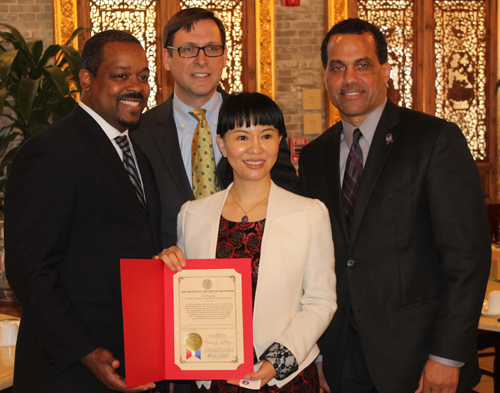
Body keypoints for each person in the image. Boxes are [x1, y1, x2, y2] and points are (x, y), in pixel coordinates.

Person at [299, 18, 491, 393]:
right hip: (342, 359)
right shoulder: (314, 157)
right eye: (337, 67)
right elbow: (313, 262)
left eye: (362, 65)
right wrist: (316, 354)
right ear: (325, 77)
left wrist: (446, 355)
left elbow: (467, 257)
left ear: (385, 71)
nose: (349, 78)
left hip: (418, 361)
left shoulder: (434, 140)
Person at [4, 30, 162, 392]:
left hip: (130, 361)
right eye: (121, 75)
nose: (136, 86)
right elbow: (29, 268)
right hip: (71, 371)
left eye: (143, 76)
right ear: (87, 80)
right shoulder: (50, 151)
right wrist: (85, 351)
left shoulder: (137, 152)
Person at [157, 92, 337, 392]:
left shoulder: (309, 213)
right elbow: (184, 302)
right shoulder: (193, 215)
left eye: (266, 135)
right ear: (222, 145)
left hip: (284, 378)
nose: (255, 148)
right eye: (242, 137)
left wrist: (275, 362)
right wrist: (167, 265)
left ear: (279, 141)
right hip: (215, 378)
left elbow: (320, 302)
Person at [131, 8, 300, 250]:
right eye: (188, 49)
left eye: (212, 48)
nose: (202, 60)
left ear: (224, 56)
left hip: (254, 268)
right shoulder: (140, 133)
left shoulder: (258, 123)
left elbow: (288, 198)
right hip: (174, 278)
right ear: (167, 59)